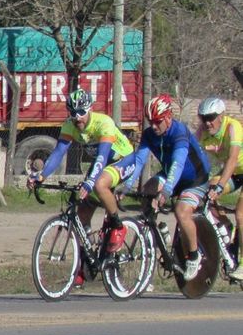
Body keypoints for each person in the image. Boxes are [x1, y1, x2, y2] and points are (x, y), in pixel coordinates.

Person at [25, 88, 143, 278]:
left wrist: (89, 182)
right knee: (81, 215)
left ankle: (118, 225)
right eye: (72, 113)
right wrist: (41, 176)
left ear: (89, 109)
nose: (77, 117)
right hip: (101, 165)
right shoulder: (70, 125)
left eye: (81, 113)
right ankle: (86, 262)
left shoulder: (103, 123)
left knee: (99, 184)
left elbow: (102, 158)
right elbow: (57, 154)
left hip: (123, 159)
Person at [111, 94, 211, 281]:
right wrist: (127, 186)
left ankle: (194, 255)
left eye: (157, 122)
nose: (154, 126)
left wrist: (166, 191)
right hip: (171, 175)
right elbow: (139, 160)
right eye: (151, 122)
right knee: (148, 190)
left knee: (181, 212)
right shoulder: (150, 134)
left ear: (168, 118)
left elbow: (178, 164)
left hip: (194, 179)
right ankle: (157, 235)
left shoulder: (179, 132)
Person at [197, 95, 242, 277]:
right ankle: (226, 227)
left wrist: (220, 186)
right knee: (206, 194)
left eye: (211, 117)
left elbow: (232, 159)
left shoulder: (233, 127)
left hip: (234, 168)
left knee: (240, 213)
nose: (208, 123)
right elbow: (191, 155)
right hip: (235, 173)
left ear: (221, 116)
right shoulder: (202, 132)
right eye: (204, 118)